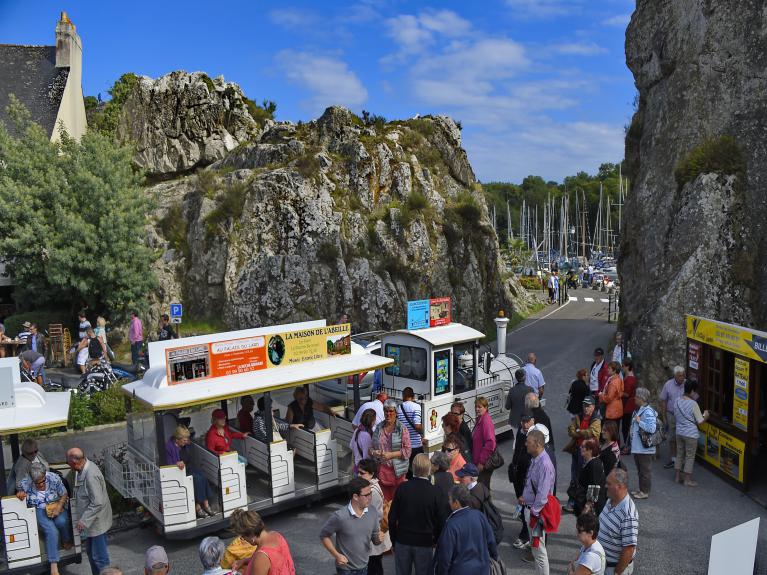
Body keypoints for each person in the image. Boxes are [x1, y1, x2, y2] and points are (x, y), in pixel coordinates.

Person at [388, 453, 444, 574]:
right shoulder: (435, 492)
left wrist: (394, 541)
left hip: (402, 541)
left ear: (412, 468)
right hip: (425, 543)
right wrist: (435, 540)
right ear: (429, 469)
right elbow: (440, 520)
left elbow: (392, 518)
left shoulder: (402, 488)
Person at [16, 462, 72, 575]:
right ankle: (54, 565)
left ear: (45, 475)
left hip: (56, 504)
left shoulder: (54, 478)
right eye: (37, 483)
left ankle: (66, 539)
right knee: (52, 530)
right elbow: (19, 493)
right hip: (39, 509)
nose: (41, 485)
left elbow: (64, 494)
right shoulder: (26, 483)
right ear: (32, 479)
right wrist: (20, 494)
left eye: (42, 481)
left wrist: (59, 507)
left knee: (62, 521)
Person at [320, 477, 382, 575]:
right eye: (366, 495)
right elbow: (324, 535)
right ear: (355, 497)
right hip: (346, 569)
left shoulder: (373, 511)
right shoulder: (340, 516)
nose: (370, 497)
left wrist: (379, 538)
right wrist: (336, 555)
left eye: (370, 493)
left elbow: (375, 540)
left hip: (364, 566)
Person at [433, 484, 498, 575]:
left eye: (450, 499)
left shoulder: (451, 525)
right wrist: (495, 558)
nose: (448, 502)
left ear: (456, 503)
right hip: (482, 570)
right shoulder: (479, 515)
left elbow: (445, 558)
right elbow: (491, 541)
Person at [67, 447, 112, 575]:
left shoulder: (90, 475)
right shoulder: (84, 468)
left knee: (100, 558)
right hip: (92, 524)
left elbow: (98, 502)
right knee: (92, 555)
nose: (68, 466)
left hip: (96, 523)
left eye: (68, 463)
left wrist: (83, 520)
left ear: (75, 462)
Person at [520, 428, 556, 572]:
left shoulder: (545, 465)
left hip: (537, 514)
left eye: (528, 442)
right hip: (532, 511)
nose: (525, 444)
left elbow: (542, 494)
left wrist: (534, 513)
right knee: (536, 550)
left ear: (538, 444)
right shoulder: (536, 459)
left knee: (539, 551)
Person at [165, 425, 215, 518]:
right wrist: (177, 463)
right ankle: (198, 507)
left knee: (203, 476)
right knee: (196, 479)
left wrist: (188, 440)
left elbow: (189, 442)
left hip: (188, 466)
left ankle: (206, 504)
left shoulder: (184, 444)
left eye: (186, 439)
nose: (186, 441)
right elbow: (169, 463)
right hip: (179, 471)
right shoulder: (169, 447)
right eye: (184, 440)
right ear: (177, 439)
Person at [227, 510, 295, 575]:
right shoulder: (276, 535)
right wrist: (244, 561)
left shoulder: (262, 556)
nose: (243, 539)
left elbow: (262, 560)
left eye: (243, 537)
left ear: (251, 535)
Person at [564, 396, 601, 513]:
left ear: (593, 407)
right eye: (584, 405)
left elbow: (594, 432)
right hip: (577, 450)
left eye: (588, 406)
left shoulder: (596, 419)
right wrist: (581, 433)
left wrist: (579, 432)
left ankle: (583, 503)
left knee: (583, 479)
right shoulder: (578, 416)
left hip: (587, 454)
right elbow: (570, 430)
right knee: (574, 477)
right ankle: (572, 500)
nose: (585, 408)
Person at [597, 469, 638, 575]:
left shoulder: (628, 514)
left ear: (619, 486)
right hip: (602, 563)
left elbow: (629, 549)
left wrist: (616, 573)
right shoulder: (610, 500)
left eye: (608, 484)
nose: (605, 486)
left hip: (613, 568)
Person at [370, 399, 411, 500]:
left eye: (391, 411)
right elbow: (371, 447)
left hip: (397, 472)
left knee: (397, 501)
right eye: (386, 411)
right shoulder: (379, 427)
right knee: (384, 503)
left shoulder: (402, 429)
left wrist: (391, 455)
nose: (388, 414)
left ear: (396, 413)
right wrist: (374, 452)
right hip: (382, 471)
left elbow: (408, 451)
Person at [356, 459, 390, 575]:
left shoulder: (372, 492)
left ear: (371, 474)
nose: (358, 475)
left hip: (372, 538)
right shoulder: (369, 487)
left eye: (362, 473)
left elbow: (370, 517)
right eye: (358, 472)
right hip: (371, 538)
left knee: (374, 568)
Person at [674, 379, 710, 486]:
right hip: (690, 434)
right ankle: (687, 480)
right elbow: (700, 421)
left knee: (680, 454)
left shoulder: (677, 401)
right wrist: (706, 416)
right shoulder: (693, 404)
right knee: (689, 456)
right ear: (692, 391)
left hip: (679, 431)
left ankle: (677, 477)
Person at [511, 413, 535, 549]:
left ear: (533, 421)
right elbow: (517, 452)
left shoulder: (534, 435)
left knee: (526, 507)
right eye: (523, 421)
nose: (525, 425)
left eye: (527, 422)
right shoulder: (521, 432)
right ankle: (525, 530)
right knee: (521, 505)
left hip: (527, 478)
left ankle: (525, 535)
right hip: (518, 475)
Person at [630, 388, 657, 499]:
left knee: (645, 471)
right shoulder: (641, 409)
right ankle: (641, 489)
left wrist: (639, 421)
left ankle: (645, 491)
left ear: (642, 398)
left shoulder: (648, 412)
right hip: (638, 447)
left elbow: (651, 428)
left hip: (644, 448)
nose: (635, 398)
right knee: (640, 470)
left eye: (636, 396)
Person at [659, 366, 686, 470]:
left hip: (684, 416)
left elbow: (694, 398)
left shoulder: (687, 384)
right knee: (672, 438)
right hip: (672, 414)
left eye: (683, 375)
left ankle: (681, 460)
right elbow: (663, 401)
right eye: (680, 375)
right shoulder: (668, 384)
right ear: (675, 376)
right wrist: (664, 416)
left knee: (682, 437)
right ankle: (673, 459)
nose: (682, 377)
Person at [573, 439, 607, 517]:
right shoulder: (589, 462)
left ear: (590, 450)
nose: (580, 448)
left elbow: (594, 487)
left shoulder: (594, 465)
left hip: (592, 508)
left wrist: (587, 507)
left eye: (583, 447)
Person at [397, 386, 423, 478]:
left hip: (404, 446)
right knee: (418, 472)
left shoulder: (398, 408)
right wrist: (423, 432)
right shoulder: (416, 407)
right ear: (413, 396)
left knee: (407, 473)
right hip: (416, 445)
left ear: (403, 396)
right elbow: (417, 425)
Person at [471, 396, 496, 488]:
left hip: (482, 464)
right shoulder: (480, 419)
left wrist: (481, 462)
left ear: (486, 408)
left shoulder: (486, 421)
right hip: (478, 461)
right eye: (476, 407)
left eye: (480, 407)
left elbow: (490, 443)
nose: (477, 409)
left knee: (482, 489)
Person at [506, 368, 534, 446]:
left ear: (516, 378)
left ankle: (516, 456)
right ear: (525, 377)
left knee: (516, 439)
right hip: (528, 419)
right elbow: (534, 405)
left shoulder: (512, 390)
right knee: (528, 439)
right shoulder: (530, 389)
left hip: (515, 420)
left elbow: (507, 407)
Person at [600, 362, 624, 432]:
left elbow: (609, 398)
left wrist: (601, 396)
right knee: (615, 430)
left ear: (614, 370)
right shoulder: (619, 379)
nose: (608, 369)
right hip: (617, 409)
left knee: (611, 432)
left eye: (609, 368)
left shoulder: (613, 382)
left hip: (612, 411)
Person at [351, 409, 376, 474]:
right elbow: (367, 456)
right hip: (364, 470)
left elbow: (351, 446)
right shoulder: (366, 435)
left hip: (357, 467)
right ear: (372, 421)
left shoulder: (357, 430)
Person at [620, 359, 637, 453]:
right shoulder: (629, 376)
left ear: (627, 366)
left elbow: (626, 393)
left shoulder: (630, 379)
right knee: (626, 426)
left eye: (623, 366)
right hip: (628, 405)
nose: (622, 367)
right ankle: (627, 445)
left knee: (626, 427)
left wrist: (618, 392)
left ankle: (628, 447)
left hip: (628, 405)